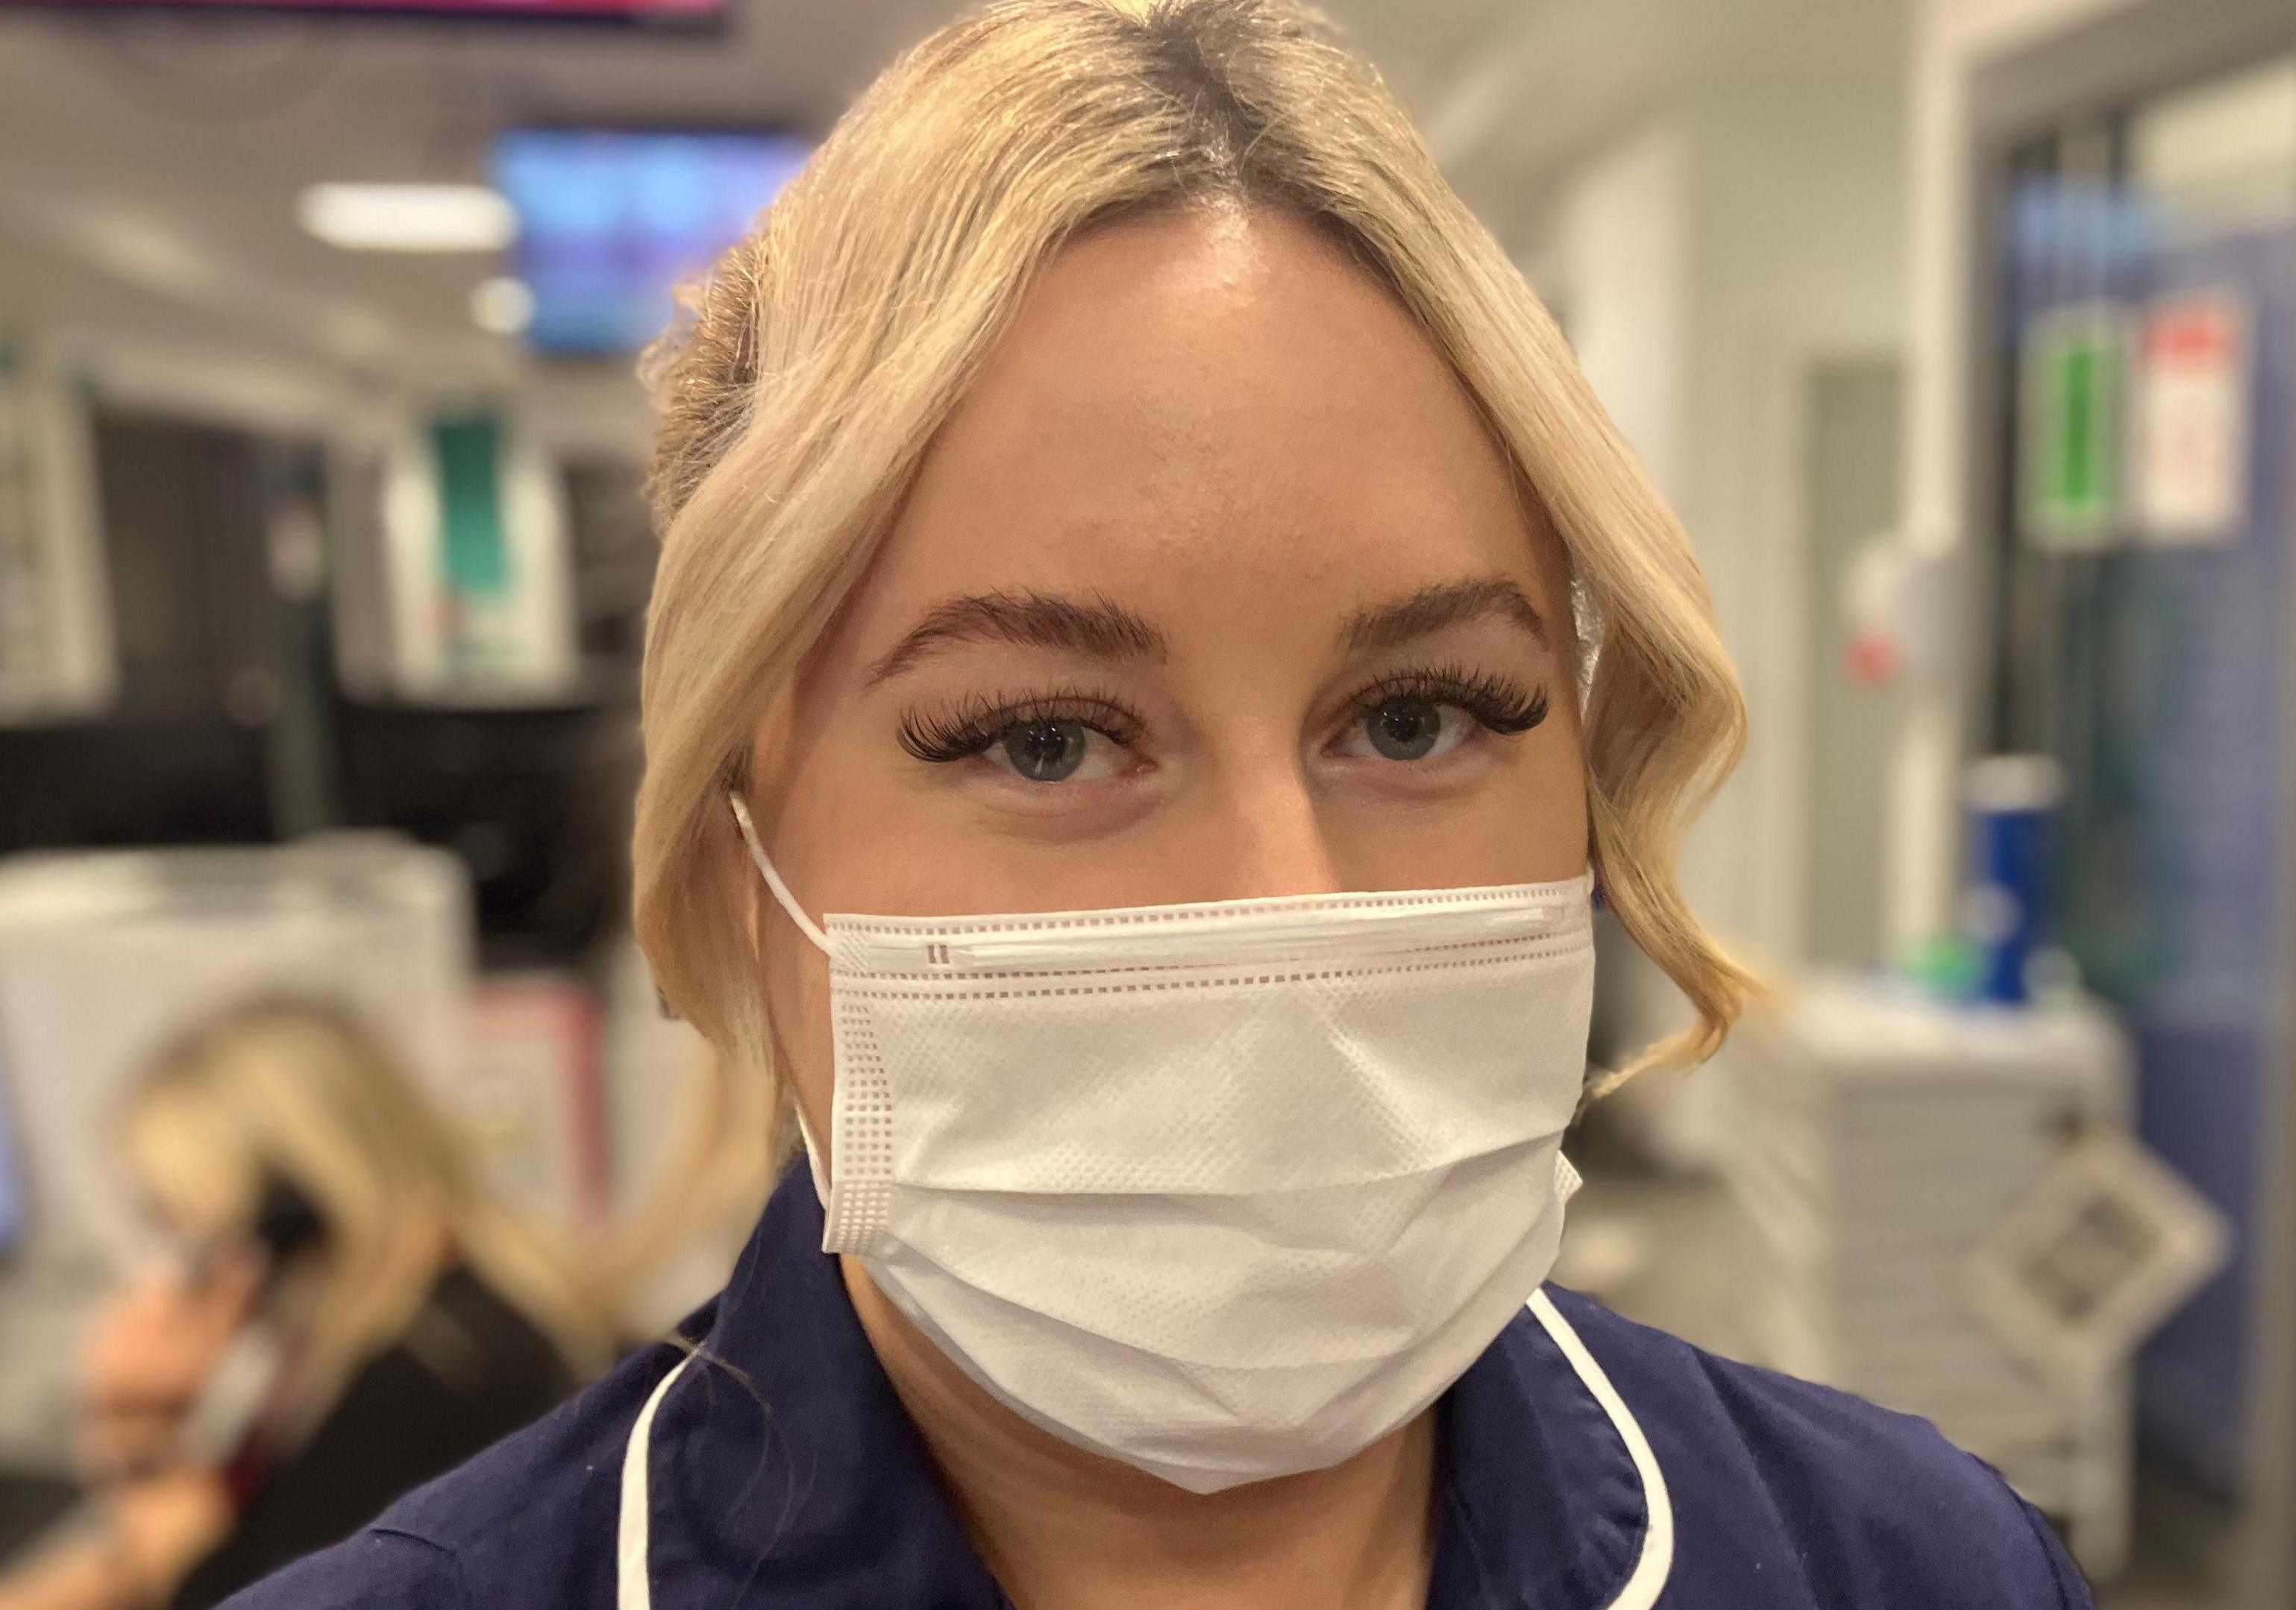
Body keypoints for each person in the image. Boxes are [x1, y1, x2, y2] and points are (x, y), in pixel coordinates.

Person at [230, 2, 2095, 1606]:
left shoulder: (1909, 1561)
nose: (1282, 914)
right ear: (738, 859)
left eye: (1421, 714)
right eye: (1043, 738)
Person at [0, 1001, 607, 1610]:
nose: (179, 1262)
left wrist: (141, 1438)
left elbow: (235, 1591)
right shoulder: (407, 1331)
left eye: (184, 1221)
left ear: (287, 1215)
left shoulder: (431, 1376)